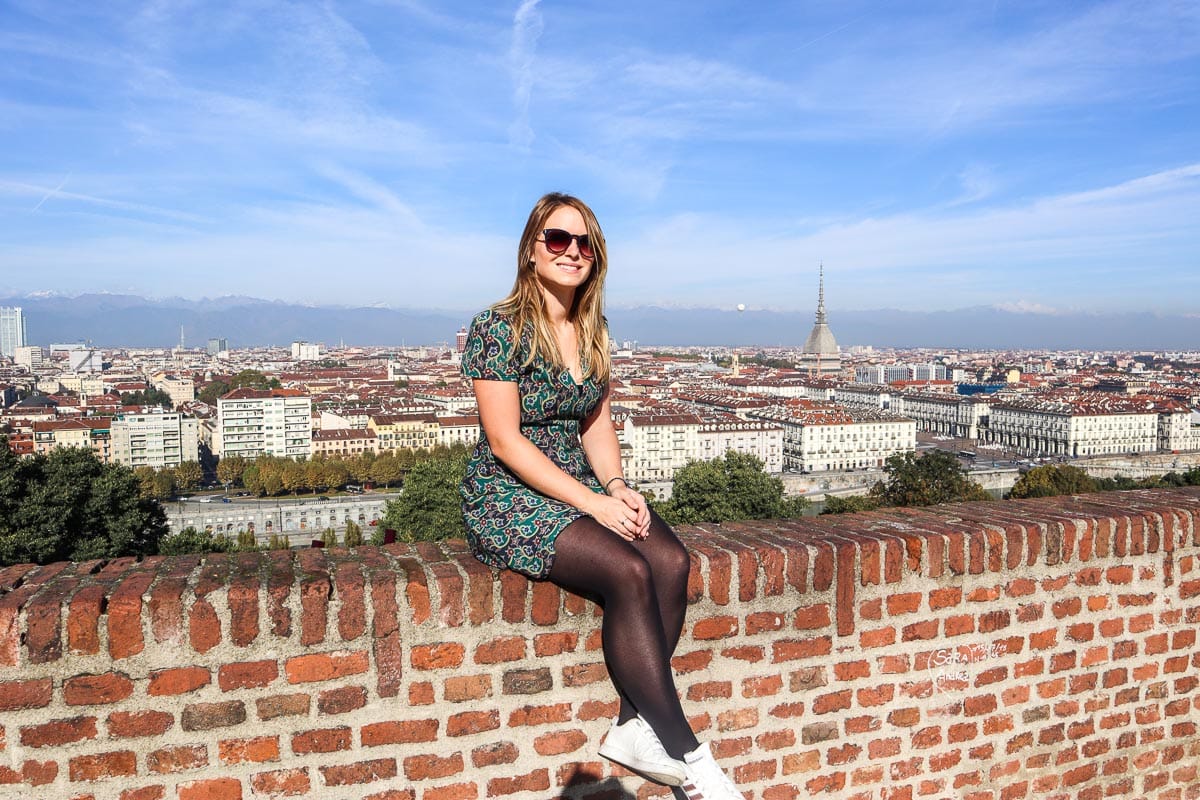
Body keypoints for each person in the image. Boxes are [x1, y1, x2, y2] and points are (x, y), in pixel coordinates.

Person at [459, 193, 742, 799]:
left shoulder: (593, 329)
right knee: (627, 571)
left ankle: (632, 726)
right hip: (509, 490)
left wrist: (616, 486)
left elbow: (596, 423)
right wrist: (593, 505)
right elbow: (506, 441)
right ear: (532, 248)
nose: (572, 252)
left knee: (670, 560)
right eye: (558, 239)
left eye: (584, 243)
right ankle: (693, 760)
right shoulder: (498, 327)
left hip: (581, 481)